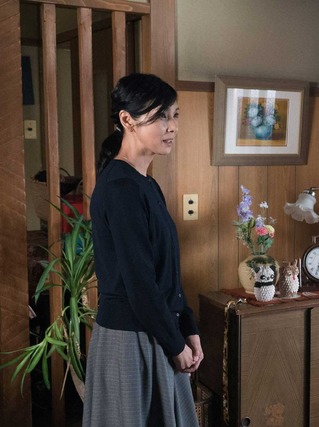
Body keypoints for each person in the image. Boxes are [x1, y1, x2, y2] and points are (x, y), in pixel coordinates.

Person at [83, 73, 203, 426]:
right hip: (129, 340)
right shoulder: (120, 188)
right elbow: (139, 282)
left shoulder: (146, 184)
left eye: (175, 115)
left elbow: (166, 271)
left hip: (158, 330)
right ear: (127, 120)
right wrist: (174, 343)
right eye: (160, 116)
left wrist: (188, 326)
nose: (172, 126)